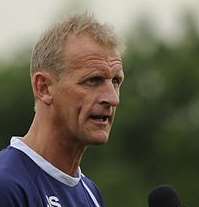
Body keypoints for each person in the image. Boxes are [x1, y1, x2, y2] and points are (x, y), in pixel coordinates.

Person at [0, 13, 124, 207]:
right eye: (93, 80)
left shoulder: (91, 194)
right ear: (44, 88)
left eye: (116, 81)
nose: (112, 98)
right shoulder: (7, 185)